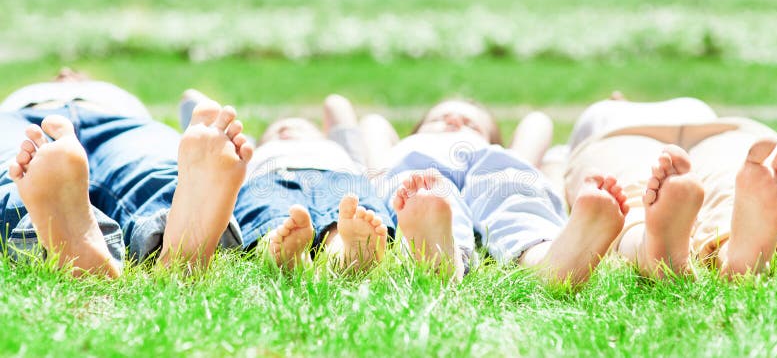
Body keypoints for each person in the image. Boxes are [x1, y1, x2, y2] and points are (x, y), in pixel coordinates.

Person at [0, 70, 254, 277]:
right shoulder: (112, 94)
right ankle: (174, 251)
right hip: (100, 123)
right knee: (150, 172)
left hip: (114, 120)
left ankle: (50, 237)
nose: (66, 72)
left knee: (16, 171)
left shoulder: (113, 98)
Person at [358, 98, 629, 284]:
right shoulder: (408, 148)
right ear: (414, 132)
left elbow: (538, 122)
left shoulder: (497, 155)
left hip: (490, 168)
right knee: (421, 193)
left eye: (471, 123)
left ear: (490, 138)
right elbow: (374, 125)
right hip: (419, 170)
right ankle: (440, 253)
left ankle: (549, 259)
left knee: (513, 191)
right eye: (439, 118)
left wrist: (513, 156)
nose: (454, 119)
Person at [561, 95, 777, 277]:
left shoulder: (604, 110)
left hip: (717, 132)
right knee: (725, 183)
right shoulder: (604, 115)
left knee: (629, 194)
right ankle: (731, 253)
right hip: (620, 136)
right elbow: (552, 165)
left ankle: (737, 253)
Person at [179, 92, 396, 271]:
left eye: (301, 126)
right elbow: (203, 124)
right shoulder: (247, 153)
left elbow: (337, 106)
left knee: (348, 219)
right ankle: (286, 253)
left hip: (339, 180)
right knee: (274, 220)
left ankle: (347, 253)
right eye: (275, 130)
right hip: (270, 181)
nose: (286, 128)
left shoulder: (343, 150)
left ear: (323, 135)